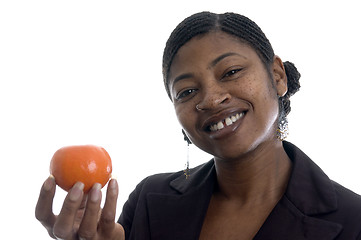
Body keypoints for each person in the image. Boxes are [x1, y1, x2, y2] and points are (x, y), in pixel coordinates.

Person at [36, 11, 361, 239]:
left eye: (231, 72)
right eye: (187, 91)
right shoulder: (150, 202)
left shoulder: (352, 220)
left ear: (277, 76)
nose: (210, 98)